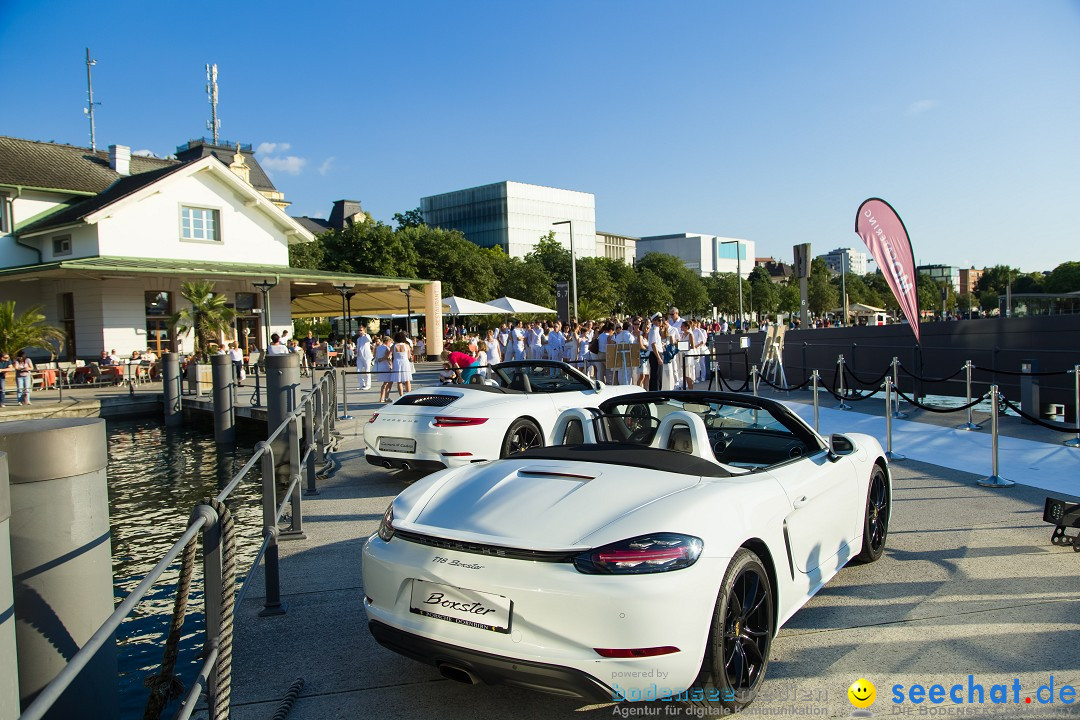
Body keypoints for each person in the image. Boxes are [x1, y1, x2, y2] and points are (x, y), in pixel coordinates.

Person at [390, 331, 413, 397]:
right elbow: (409, 356)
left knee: (399, 380)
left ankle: (401, 395)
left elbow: (390, 355)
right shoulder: (406, 345)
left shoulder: (394, 346)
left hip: (397, 362)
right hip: (405, 362)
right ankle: (409, 395)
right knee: (407, 380)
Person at [647, 313, 664, 392]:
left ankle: (657, 391)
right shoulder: (654, 330)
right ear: (653, 321)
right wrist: (658, 357)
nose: (660, 322)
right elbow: (653, 345)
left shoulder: (656, 330)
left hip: (657, 353)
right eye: (658, 320)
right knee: (656, 376)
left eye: (661, 320)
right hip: (655, 354)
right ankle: (655, 393)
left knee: (658, 376)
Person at [375, 335, 394, 403]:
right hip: (386, 366)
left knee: (384, 383)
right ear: (387, 341)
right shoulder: (387, 348)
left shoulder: (378, 347)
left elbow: (376, 356)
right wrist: (391, 365)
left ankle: (382, 397)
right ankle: (386, 396)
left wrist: (379, 360)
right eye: (390, 342)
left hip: (380, 366)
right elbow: (388, 357)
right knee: (389, 382)